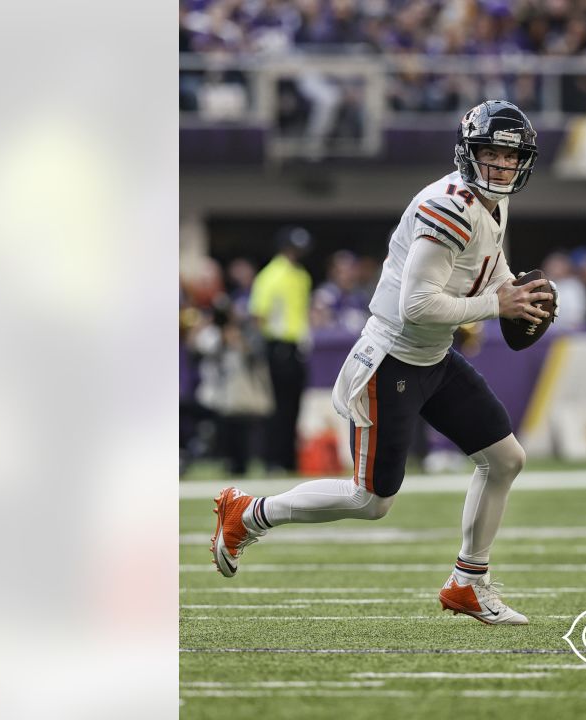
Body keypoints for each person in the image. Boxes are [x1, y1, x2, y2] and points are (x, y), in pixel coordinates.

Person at [211, 100, 553, 625]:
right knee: (371, 500)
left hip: (434, 356)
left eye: (511, 157)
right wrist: (494, 306)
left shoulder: (492, 202)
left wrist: (509, 288)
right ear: (468, 152)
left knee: (506, 458)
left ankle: (469, 582)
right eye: (491, 153)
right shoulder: (449, 206)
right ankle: (249, 513)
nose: (502, 166)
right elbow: (416, 302)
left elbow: (490, 260)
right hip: (391, 359)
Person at [248, 227, 313, 474]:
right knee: (276, 407)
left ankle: (288, 459)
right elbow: (258, 314)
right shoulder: (270, 275)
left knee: (294, 406)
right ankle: (273, 460)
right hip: (276, 345)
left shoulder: (301, 276)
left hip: (297, 346)